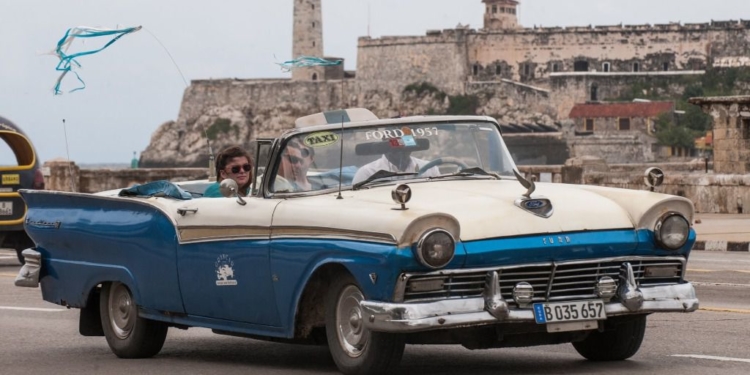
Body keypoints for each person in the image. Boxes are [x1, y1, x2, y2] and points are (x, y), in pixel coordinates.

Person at [352, 147, 440, 185]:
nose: (400, 146)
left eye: (405, 140)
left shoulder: (430, 168)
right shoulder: (367, 172)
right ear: (384, 143)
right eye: (394, 142)